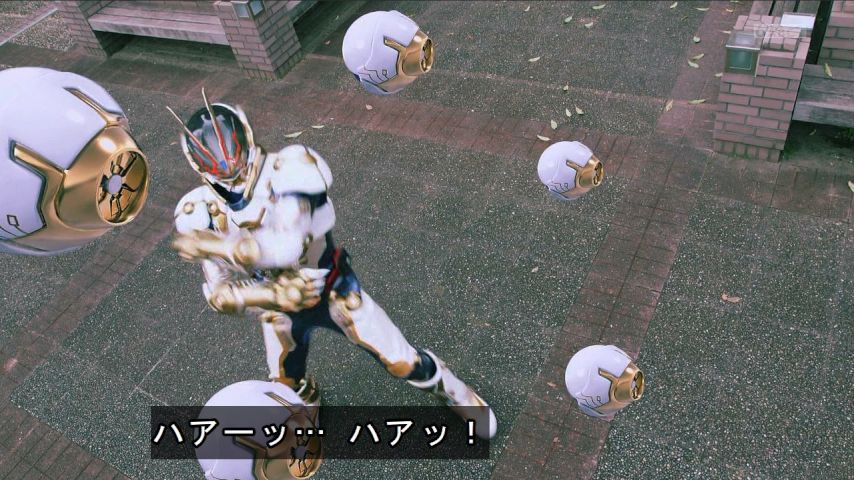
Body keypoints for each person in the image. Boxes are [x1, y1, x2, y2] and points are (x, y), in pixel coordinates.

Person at [169, 91, 497, 439]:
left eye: (236, 159)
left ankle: (454, 391)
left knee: (402, 362)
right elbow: (219, 294)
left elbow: (287, 246)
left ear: (247, 139)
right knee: (285, 387)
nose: (234, 173)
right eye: (220, 168)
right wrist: (269, 296)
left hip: (333, 288)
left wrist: (221, 246)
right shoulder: (200, 213)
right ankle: (307, 402)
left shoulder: (291, 167)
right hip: (278, 310)